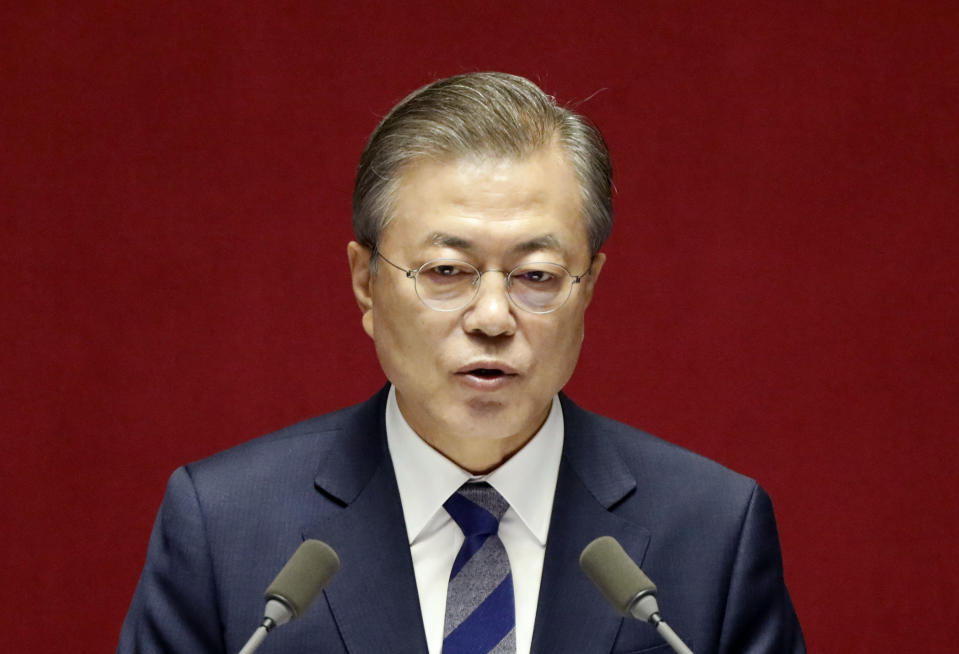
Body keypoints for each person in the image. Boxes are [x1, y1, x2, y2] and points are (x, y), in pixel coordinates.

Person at [118, 72, 805, 654]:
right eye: (447, 270)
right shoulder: (225, 526)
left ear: (587, 286)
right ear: (366, 283)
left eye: (536, 275)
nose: (492, 317)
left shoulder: (712, 530)